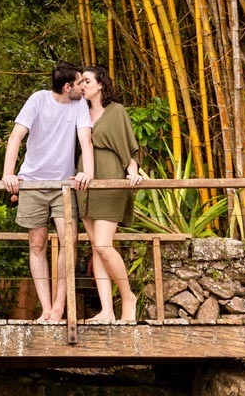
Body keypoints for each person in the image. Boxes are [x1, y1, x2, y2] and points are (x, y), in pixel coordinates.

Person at [2, 62, 94, 322]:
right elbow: (16, 136)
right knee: (37, 244)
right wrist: (8, 173)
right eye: (79, 84)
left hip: (63, 186)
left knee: (70, 241)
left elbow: (85, 140)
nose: (83, 88)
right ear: (67, 87)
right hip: (32, 183)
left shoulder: (79, 106)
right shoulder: (38, 100)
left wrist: (88, 172)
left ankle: (59, 307)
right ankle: (46, 309)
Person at [77, 65, 141, 323]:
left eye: (87, 81)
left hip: (110, 179)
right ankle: (106, 310)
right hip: (85, 183)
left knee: (104, 245)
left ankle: (128, 297)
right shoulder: (79, 112)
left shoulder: (116, 111)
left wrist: (133, 171)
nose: (82, 85)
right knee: (96, 248)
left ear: (101, 84)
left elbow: (129, 146)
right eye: (80, 81)